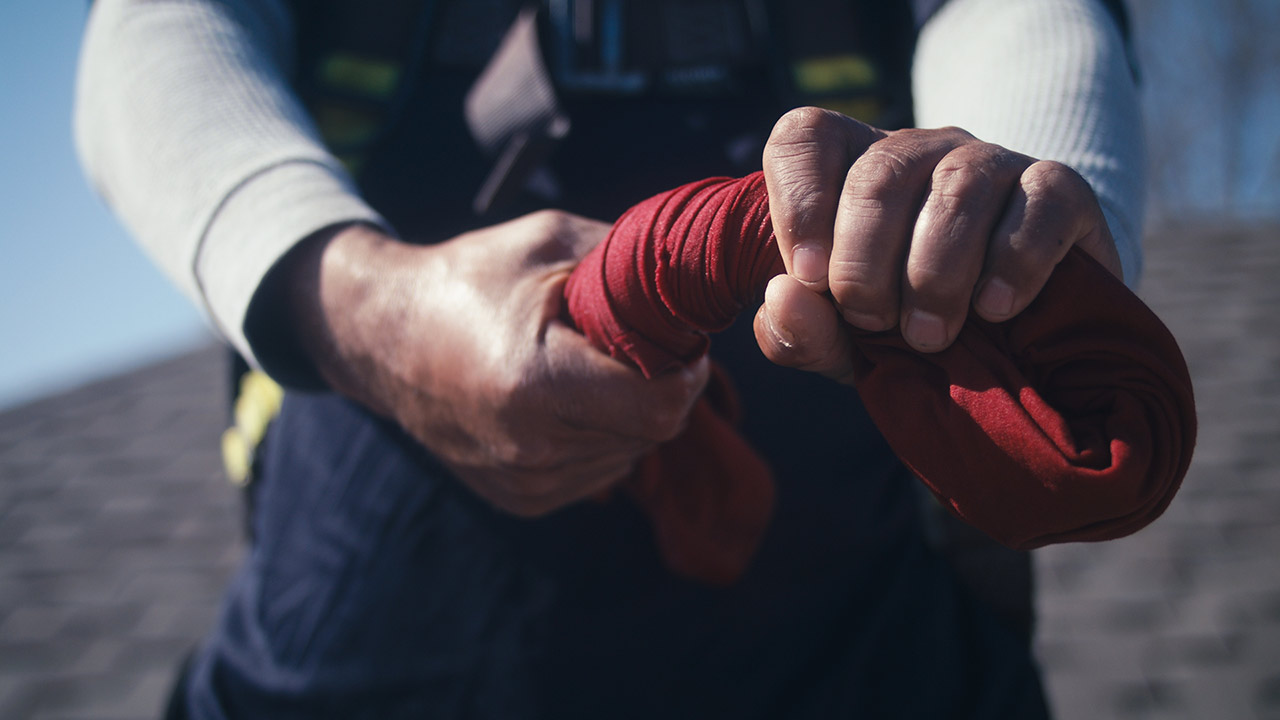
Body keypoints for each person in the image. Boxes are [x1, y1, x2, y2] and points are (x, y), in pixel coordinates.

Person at [75, 0, 1144, 717]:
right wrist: (363, 303)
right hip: (339, 651)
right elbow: (157, 30)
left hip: (868, 654)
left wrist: (1024, 230)